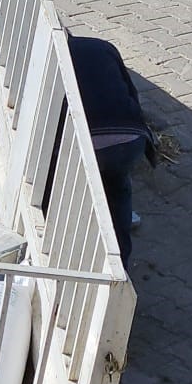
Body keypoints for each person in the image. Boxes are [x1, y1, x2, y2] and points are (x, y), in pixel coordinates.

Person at [69, 35, 155, 265]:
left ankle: (84, 258)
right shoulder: (102, 47)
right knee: (119, 188)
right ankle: (121, 265)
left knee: (77, 191)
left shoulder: (49, 58)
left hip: (91, 145)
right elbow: (131, 94)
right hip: (131, 140)